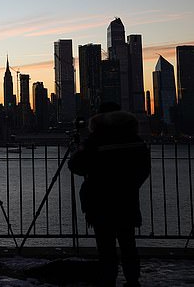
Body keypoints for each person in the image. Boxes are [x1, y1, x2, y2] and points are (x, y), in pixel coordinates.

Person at [69, 103, 151, 287]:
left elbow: (76, 166)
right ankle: (132, 280)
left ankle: (108, 279)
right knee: (128, 243)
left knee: (106, 246)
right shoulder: (134, 138)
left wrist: (78, 150)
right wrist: (131, 185)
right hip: (127, 200)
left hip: (100, 201)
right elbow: (144, 168)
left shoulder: (96, 139)